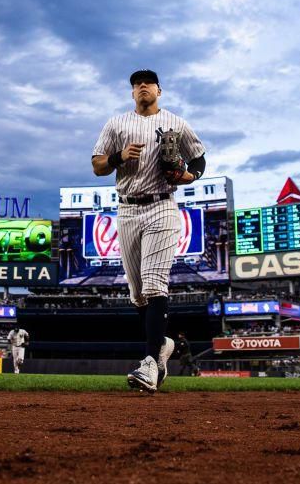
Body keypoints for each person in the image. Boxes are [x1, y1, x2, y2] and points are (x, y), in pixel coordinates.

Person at [92, 69, 206, 393]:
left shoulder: (177, 123)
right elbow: (97, 165)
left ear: (159, 90)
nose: (142, 86)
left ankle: (149, 363)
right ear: (132, 93)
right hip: (127, 209)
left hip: (162, 205)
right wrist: (117, 156)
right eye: (136, 84)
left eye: (148, 82)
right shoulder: (116, 124)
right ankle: (163, 345)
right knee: (139, 294)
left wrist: (190, 177)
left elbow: (198, 160)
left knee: (156, 284)